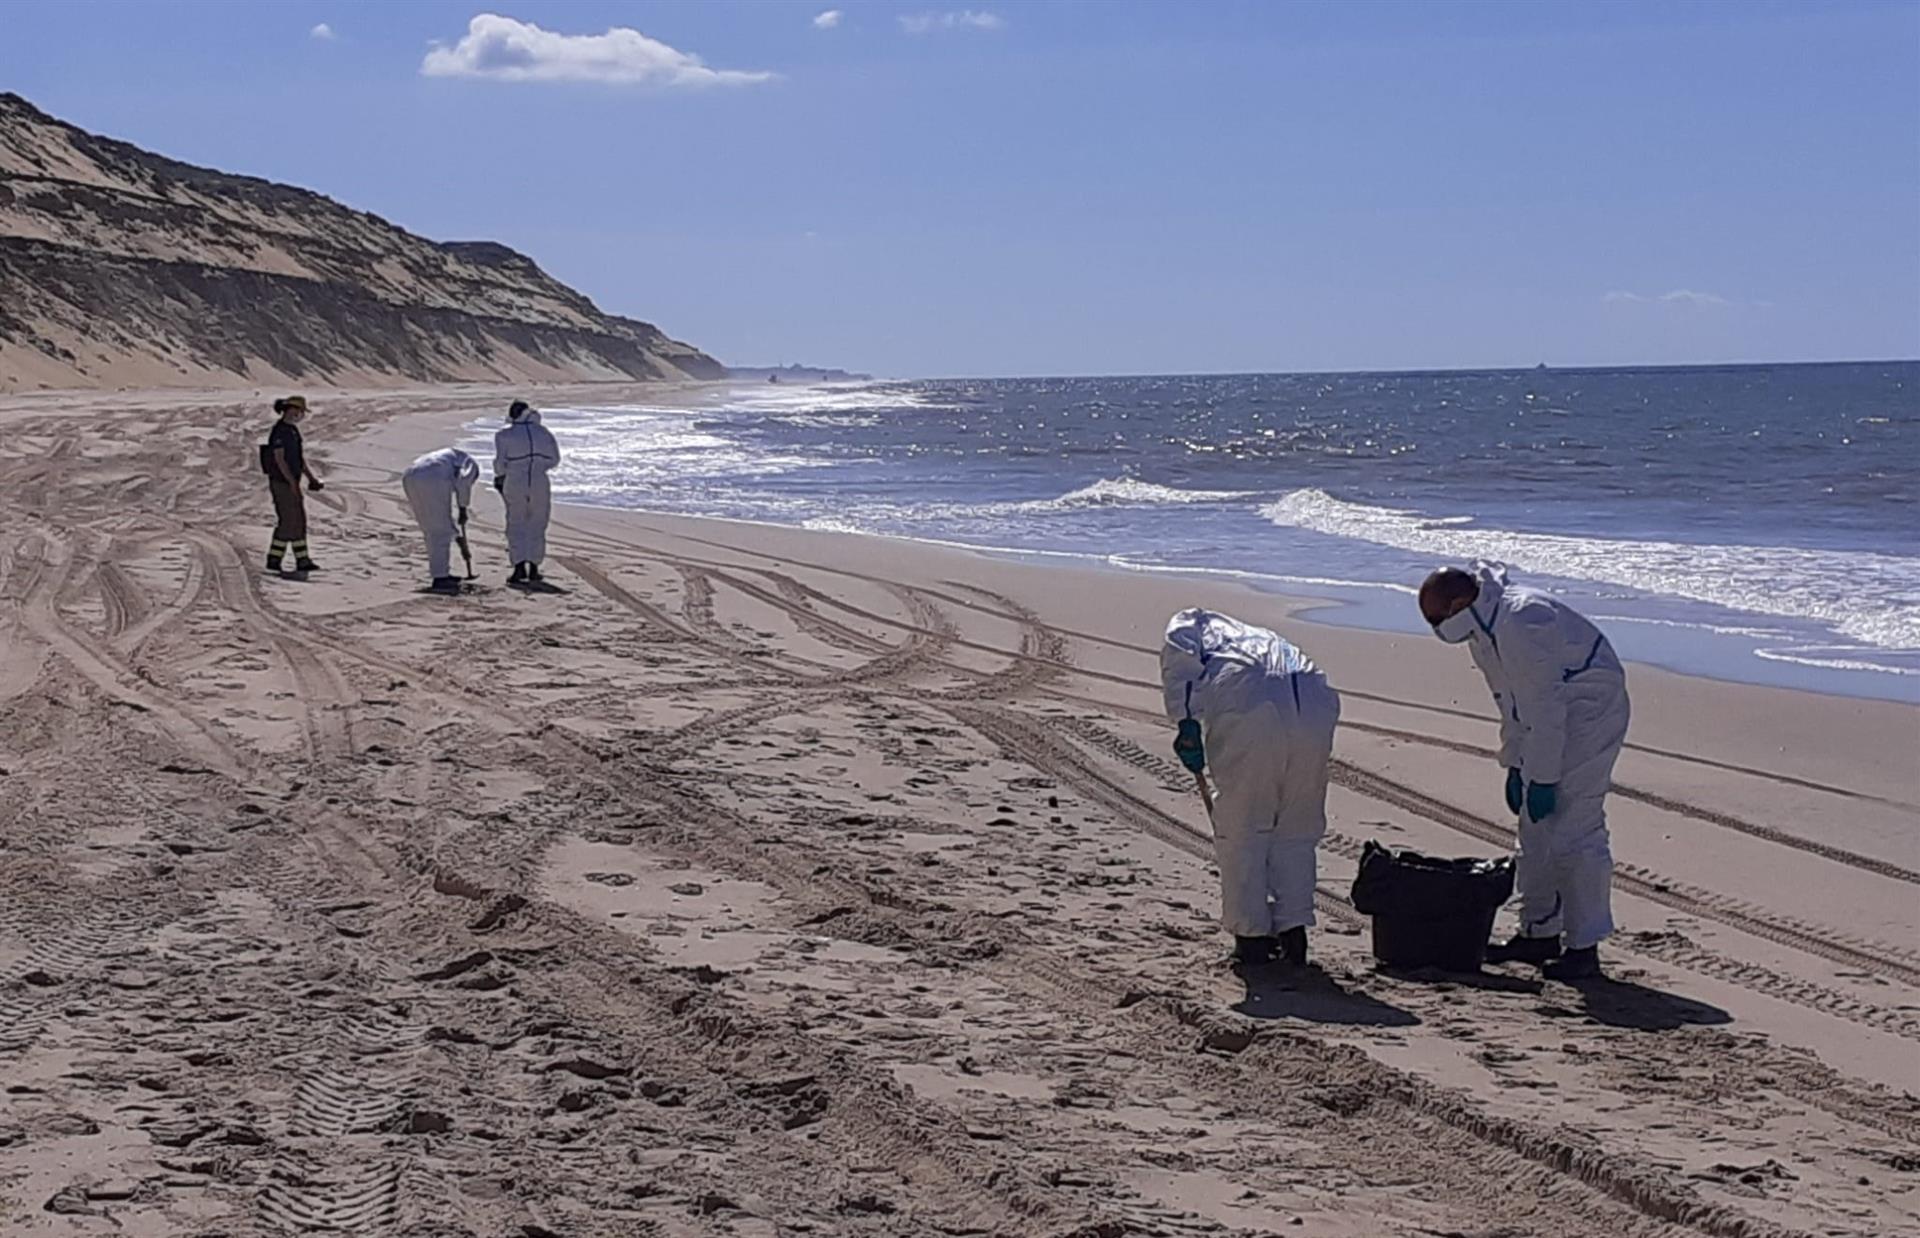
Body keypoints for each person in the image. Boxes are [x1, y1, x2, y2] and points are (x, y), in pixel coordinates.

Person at [1417, 562, 1630, 980]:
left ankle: (1584, 947)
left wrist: (1544, 778)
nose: (1437, 630)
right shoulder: (1481, 630)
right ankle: (1538, 933)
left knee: (1574, 826)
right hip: (1549, 711)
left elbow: (1546, 709)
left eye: (1436, 620)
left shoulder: (1522, 619)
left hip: (1590, 708)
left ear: (1460, 603)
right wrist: (1514, 762)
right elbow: (1511, 702)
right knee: (1533, 826)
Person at [1160, 608, 1341, 967]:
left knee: (1243, 824)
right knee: (1296, 824)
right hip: (1315, 695)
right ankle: (1293, 932)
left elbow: (1179, 667)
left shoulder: (1187, 626)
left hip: (1249, 694)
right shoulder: (1256, 636)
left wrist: (1184, 723)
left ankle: (1252, 938)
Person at [492, 399, 560, 584]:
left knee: (516, 522)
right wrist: (538, 465)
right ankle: (534, 567)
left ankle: (519, 567)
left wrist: (504, 474)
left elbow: (499, 464)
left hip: (515, 480)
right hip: (539, 481)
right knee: (537, 523)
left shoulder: (504, 435)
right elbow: (555, 459)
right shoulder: (543, 432)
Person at [401, 447, 481, 593]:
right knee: (439, 532)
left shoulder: (453, 457)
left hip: (410, 475)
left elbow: (444, 519)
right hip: (432, 475)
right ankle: (440, 578)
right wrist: (463, 508)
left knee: (431, 527)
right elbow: (463, 484)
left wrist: (459, 539)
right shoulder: (471, 465)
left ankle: (440, 573)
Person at [262, 396, 323, 573]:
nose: (301, 415)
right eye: (300, 411)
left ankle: (302, 560)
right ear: (291, 409)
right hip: (282, 483)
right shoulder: (280, 431)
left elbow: (299, 459)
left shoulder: (292, 431)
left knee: (298, 521)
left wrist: (310, 478)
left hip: (292, 481)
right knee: (288, 521)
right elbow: (279, 459)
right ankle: (274, 559)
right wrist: (291, 482)